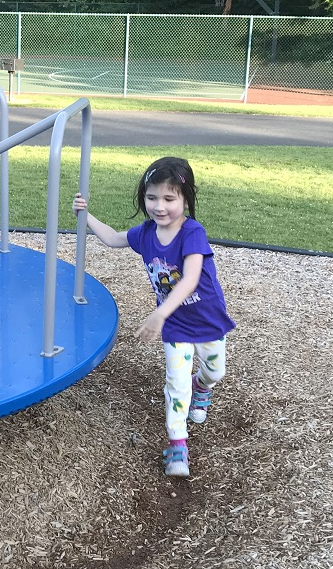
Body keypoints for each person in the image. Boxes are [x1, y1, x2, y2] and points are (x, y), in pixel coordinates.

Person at [72, 157, 235, 478]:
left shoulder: (192, 233)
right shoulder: (146, 234)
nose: (160, 207)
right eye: (151, 198)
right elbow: (113, 238)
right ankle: (177, 444)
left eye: (169, 199)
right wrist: (86, 215)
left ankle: (201, 386)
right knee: (176, 384)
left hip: (207, 319)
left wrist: (159, 312)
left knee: (215, 371)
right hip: (175, 325)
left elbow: (189, 278)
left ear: (186, 200)